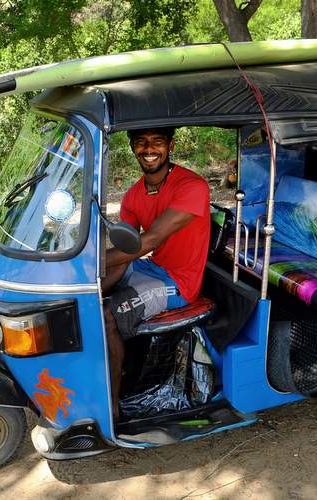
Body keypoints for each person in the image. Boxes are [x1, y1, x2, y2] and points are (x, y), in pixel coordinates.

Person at [101, 127, 210, 417]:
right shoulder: (133, 196)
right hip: (152, 268)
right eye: (141, 142)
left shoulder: (192, 186)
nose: (149, 149)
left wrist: (89, 262)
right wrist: (91, 279)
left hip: (179, 282)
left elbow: (149, 241)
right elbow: (125, 249)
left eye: (157, 141)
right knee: (89, 295)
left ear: (170, 145)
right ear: (133, 148)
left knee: (107, 316)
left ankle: (111, 405)